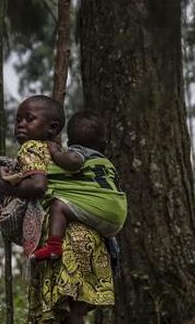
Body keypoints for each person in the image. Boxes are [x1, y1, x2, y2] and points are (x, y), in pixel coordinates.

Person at [0, 95, 116, 324]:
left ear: (53, 128)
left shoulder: (34, 148)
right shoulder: (72, 156)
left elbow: (38, 185)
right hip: (88, 236)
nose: (21, 124)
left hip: (66, 239)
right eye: (18, 118)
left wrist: (1, 184)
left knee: (62, 311)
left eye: (29, 118)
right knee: (72, 312)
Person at [33, 112, 128, 261]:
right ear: (104, 144)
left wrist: (56, 152)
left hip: (99, 210)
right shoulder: (106, 164)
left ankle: (54, 247)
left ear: (70, 143)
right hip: (117, 217)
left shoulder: (80, 152)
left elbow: (73, 162)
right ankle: (113, 252)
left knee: (58, 206)